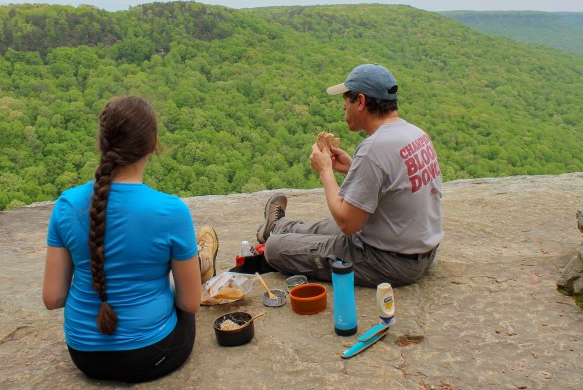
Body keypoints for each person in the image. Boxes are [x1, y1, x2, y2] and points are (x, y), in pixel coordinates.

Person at [42, 96, 218, 383]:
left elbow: (53, 298)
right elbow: (189, 304)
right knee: (184, 295)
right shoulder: (171, 211)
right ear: (153, 144)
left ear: (102, 142)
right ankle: (200, 263)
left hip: (84, 355)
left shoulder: (66, 205)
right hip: (151, 355)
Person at [257, 64, 443, 287]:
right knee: (323, 228)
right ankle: (276, 226)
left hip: (388, 261)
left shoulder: (373, 148)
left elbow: (347, 224)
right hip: (419, 249)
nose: (343, 106)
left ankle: (275, 238)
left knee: (275, 249)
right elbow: (392, 181)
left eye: (346, 99)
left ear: (361, 102)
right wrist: (353, 168)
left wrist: (325, 171)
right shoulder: (415, 134)